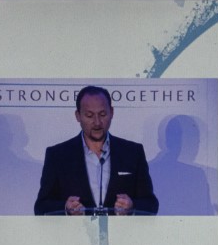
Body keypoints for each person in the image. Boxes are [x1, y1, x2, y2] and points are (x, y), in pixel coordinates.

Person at [34, 85, 158, 216]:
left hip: (120, 229)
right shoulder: (57, 155)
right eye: (89, 115)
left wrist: (132, 206)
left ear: (112, 112)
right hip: (76, 229)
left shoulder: (133, 153)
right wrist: (66, 208)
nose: (97, 122)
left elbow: (151, 204)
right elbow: (41, 207)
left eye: (102, 114)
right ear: (78, 116)